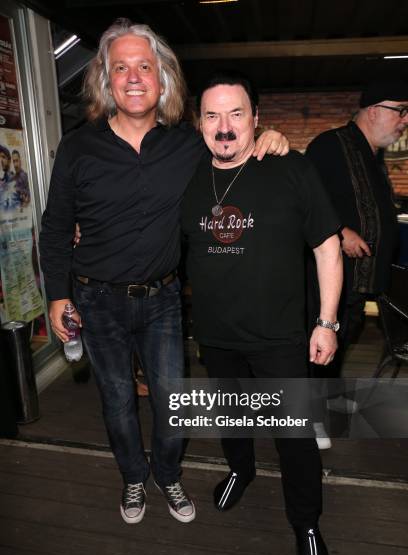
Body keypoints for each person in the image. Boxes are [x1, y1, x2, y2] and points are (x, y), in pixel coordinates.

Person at [39, 19, 288, 526]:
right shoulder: (77, 147)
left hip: (163, 300)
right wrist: (58, 294)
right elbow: (57, 227)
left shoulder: (189, 144)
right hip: (96, 301)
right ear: (105, 80)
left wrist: (270, 137)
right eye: (120, 67)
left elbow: (232, 151)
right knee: (116, 402)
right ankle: (134, 478)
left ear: (163, 78)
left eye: (144, 66)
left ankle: (168, 475)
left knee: (173, 402)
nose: (133, 77)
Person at [181, 71, 343, 555]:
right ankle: (240, 470)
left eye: (236, 114)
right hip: (216, 334)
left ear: (256, 119)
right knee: (232, 420)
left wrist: (327, 322)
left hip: (280, 338)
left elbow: (328, 248)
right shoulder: (186, 174)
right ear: (199, 123)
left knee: (294, 440)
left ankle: (306, 522)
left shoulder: (290, 167)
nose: (224, 127)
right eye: (212, 115)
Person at [306, 80, 408, 381]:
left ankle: (321, 410)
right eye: (401, 111)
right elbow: (304, 202)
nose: (406, 120)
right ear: (374, 111)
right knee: (320, 350)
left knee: (340, 345)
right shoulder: (330, 145)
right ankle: (312, 417)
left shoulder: (372, 154)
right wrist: (339, 231)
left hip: (359, 283)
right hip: (331, 281)